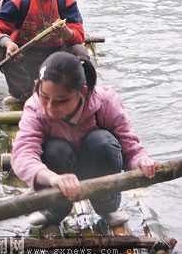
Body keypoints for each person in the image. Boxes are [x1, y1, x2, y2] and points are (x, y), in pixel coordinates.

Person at [11, 51, 158, 227]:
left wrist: (140, 161)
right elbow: (23, 154)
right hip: (60, 174)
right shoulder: (35, 108)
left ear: (82, 91)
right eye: (44, 96)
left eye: (61, 100)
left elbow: (130, 146)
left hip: (97, 170)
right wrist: (52, 179)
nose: (49, 107)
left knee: (102, 141)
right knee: (56, 149)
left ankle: (107, 205)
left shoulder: (106, 101)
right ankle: (52, 209)